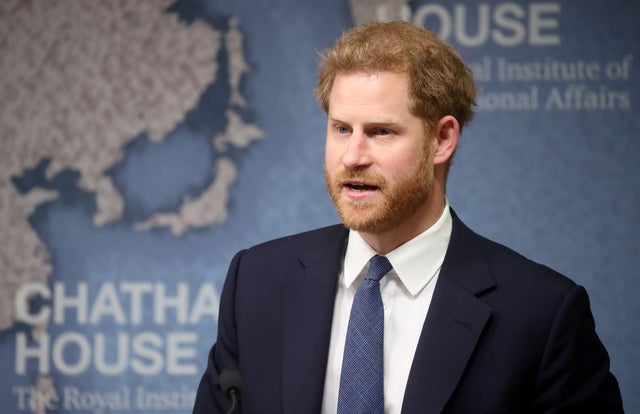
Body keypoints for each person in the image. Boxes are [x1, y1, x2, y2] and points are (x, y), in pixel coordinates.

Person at [193, 20, 624, 413]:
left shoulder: (541, 313)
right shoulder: (256, 282)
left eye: (381, 132)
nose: (352, 157)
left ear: (441, 139)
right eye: (341, 128)